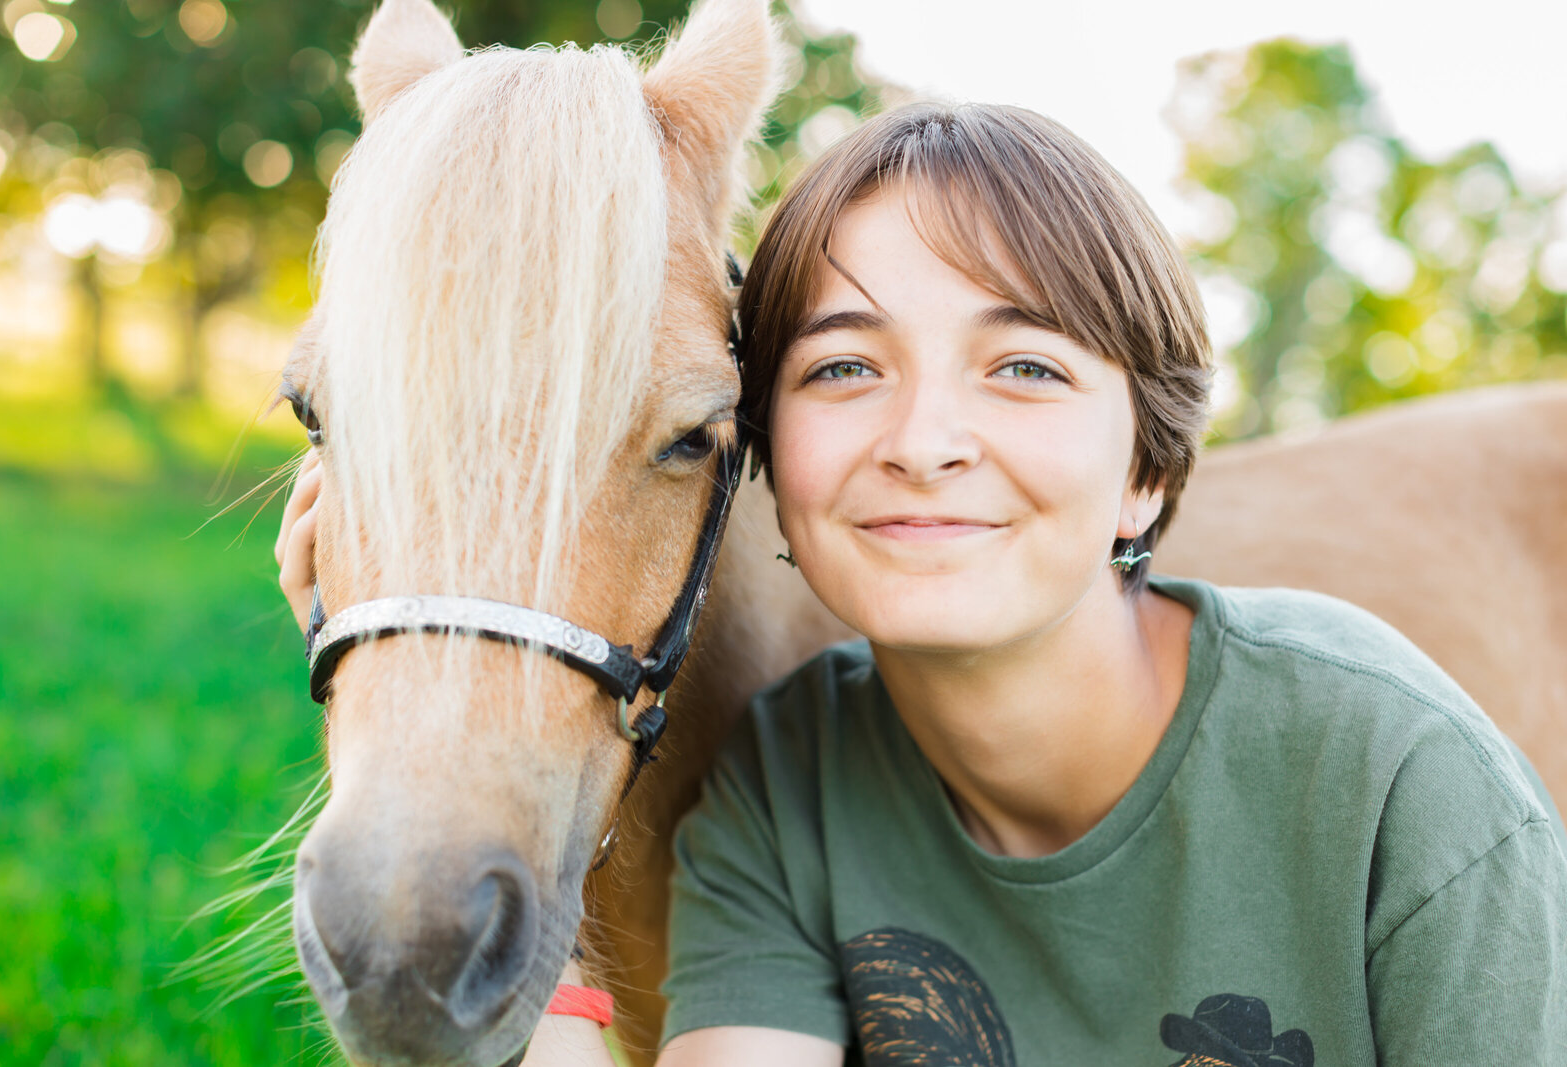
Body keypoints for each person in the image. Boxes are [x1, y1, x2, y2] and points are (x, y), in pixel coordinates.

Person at [276, 102, 1567, 1064]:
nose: (924, 440)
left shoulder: (1401, 773)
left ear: (1147, 472)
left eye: (1026, 368)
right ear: (761, 458)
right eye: (844, 368)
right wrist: (413, 673)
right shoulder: (788, 785)